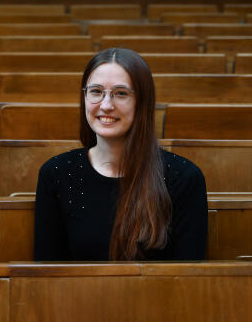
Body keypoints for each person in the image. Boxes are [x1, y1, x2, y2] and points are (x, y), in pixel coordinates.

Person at [34, 48, 207, 261]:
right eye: (96, 91)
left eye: (121, 93)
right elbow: (45, 275)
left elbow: (190, 278)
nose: (106, 105)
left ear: (142, 102)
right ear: (85, 97)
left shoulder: (184, 178)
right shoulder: (56, 173)